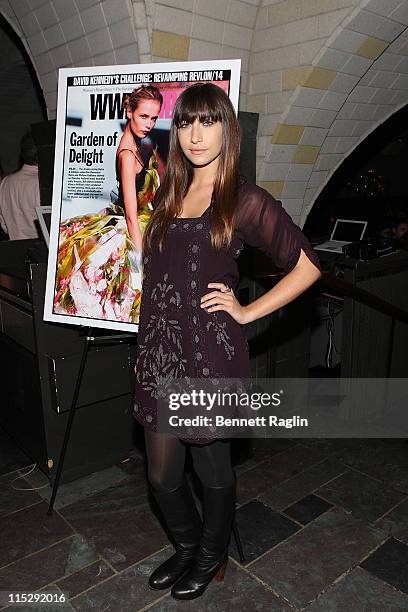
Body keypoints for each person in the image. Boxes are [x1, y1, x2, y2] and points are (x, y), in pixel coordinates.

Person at [134, 83, 322, 601]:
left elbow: (306, 267)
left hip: (208, 356)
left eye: (208, 121)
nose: (196, 134)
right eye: (187, 123)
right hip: (160, 352)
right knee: (162, 474)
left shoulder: (243, 198)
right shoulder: (171, 189)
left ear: (227, 129)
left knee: (211, 466)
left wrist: (246, 310)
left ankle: (212, 553)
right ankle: (189, 544)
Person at [54, 85, 163, 323]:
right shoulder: (126, 155)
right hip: (134, 233)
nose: (149, 124)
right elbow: (132, 216)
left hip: (146, 224)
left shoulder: (138, 146)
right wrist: (141, 263)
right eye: (143, 116)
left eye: (154, 118)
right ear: (129, 112)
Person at [0, 132, 40, 240]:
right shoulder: (43, 184)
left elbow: (4, 224)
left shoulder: (6, 182)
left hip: (16, 250)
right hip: (42, 250)